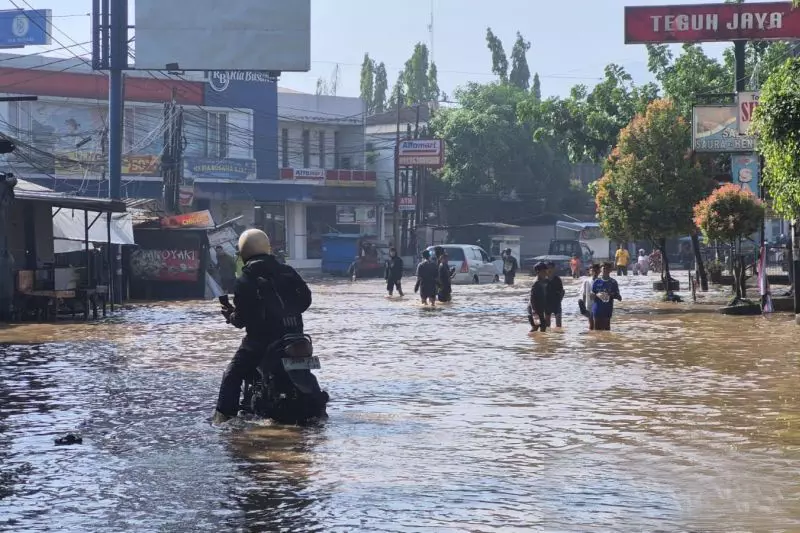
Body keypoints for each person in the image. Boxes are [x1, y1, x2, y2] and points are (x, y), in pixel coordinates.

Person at [213, 229, 312, 424]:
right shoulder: (287, 271)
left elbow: (241, 320)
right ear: (267, 248)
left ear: (243, 252)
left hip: (261, 341)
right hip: (296, 337)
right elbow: (306, 301)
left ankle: (223, 421)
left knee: (231, 375)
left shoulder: (246, 279)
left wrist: (231, 316)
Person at [591, 262, 622, 331]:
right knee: (597, 330)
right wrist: (596, 295)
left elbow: (619, 297)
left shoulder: (613, 282)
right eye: (604, 268)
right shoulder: (596, 281)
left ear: (610, 270)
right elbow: (592, 296)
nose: (605, 270)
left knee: (607, 330)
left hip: (607, 309)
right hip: (597, 309)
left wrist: (610, 295)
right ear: (601, 270)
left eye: (607, 269)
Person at [528, 262, 549, 332]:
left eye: (546, 271)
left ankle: (539, 341)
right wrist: (534, 311)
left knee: (542, 327)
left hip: (540, 308)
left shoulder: (544, 281)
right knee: (536, 327)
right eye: (543, 271)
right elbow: (532, 297)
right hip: (534, 309)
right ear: (538, 272)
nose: (546, 273)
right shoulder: (536, 283)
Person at [579, 263, 601, 330]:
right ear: (590, 271)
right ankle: (591, 337)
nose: (595, 272)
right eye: (593, 271)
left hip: (599, 305)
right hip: (589, 305)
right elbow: (583, 293)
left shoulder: (601, 281)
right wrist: (583, 306)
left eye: (596, 271)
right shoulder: (586, 281)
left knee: (598, 324)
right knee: (591, 324)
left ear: (599, 271)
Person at [546, 261, 565, 328]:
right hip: (547, 304)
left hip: (556, 303)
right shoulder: (544, 280)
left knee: (559, 324)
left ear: (554, 269)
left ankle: (558, 337)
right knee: (547, 325)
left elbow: (562, 291)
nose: (549, 269)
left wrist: (560, 300)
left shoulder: (557, 279)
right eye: (548, 268)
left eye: (551, 268)